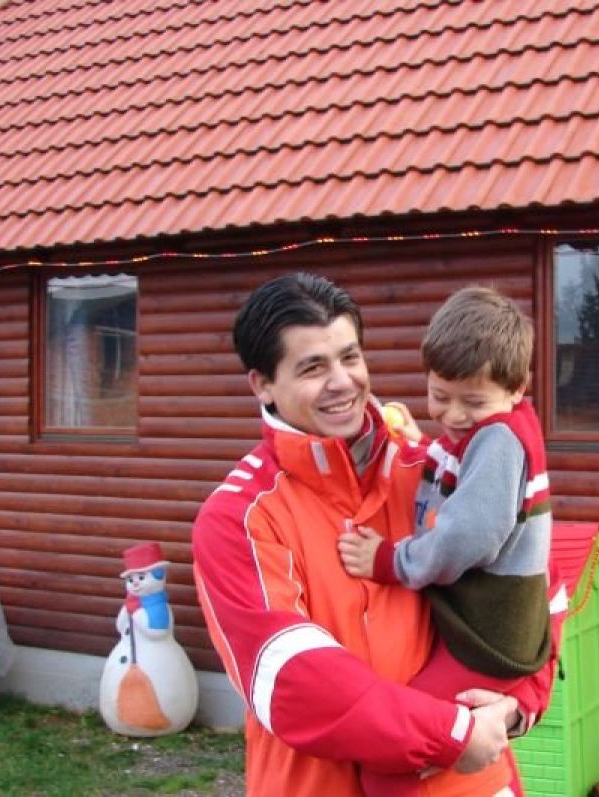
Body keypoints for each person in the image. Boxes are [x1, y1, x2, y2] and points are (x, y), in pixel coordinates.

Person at [190, 273, 554, 797]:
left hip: (468, 784)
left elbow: (539, 584)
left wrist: (520, 705)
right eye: (313, 367)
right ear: (262, 384)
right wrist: (452, 733)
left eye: (350, 357)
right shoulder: (238, 518)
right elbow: (292, 678)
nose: (342, 381)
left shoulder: (426, 467)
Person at [339, 287, 552, 797]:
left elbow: (466, 534)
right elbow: (458, 466)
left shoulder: (499, 440)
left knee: (391, 754)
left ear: (517, 388)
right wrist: (419, 444)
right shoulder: (491, 429)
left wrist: (390, 560)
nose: (454, 415)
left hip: (486, 640)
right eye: (440, 396)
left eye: (472, 402)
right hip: (487, 634)